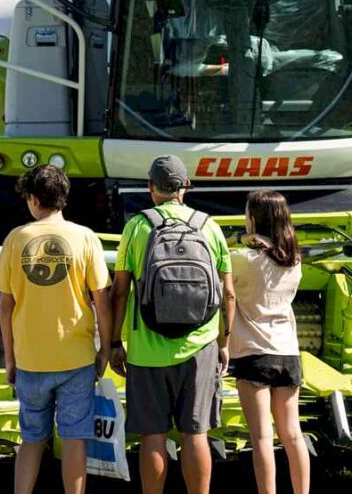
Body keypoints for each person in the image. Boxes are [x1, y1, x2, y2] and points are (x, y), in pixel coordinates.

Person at [109, 155, 235, 494]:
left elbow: (120, 291)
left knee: (153, 436)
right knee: (196, 435)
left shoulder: (137, 226)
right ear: (187, 187)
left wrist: (113, 343)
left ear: (151, 188)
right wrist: (224, 342)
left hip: (147, 350)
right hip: (200, 348)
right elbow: (229, 294)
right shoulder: (209, 226)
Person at [0, 165, 112, 494]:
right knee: (74, 440)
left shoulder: (16, 239)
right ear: (63, 197)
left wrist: (10, 358)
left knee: (31, 440)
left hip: (30, 358)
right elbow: (102, 300)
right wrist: (105, 349)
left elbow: (6, 306)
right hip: (75, 357)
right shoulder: (86, 237)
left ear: (32, 199)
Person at [231, 190, 308, 494]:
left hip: (254, 353)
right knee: (293, 434)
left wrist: (242, 241)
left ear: (254, 218)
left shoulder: (243, 259)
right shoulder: (294, 261)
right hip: (288, 351)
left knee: (262, 437)